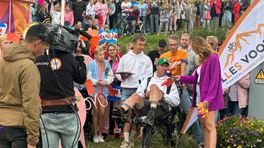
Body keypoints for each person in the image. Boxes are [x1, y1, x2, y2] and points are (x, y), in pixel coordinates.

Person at [0, 24, 50, 148]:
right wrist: (33, 140)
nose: (42, 53)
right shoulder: (28, 67)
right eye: (43, 49)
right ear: (37, 43)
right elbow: (31, 104)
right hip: (19, 130)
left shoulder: (2, 61)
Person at [36, 27, 87, 147]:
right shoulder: (69, 58)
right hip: (68, 113)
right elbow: (81, 78)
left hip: (46, 113)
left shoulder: (39, 58)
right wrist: (79, 55)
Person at [178, 36, 224, 148]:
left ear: (198, 46)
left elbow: (215, 79)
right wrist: (180, 78)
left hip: (210, 99)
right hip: (201, 98)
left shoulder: (213, 58)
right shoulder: (203, 61)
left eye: (194, 48)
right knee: (204, 124)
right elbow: (195, 78)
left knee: (210, 125)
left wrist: (209, 99)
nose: (193, 51)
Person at [113, 58, 180, 126]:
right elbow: (139, 93)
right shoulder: (148, 79)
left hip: (161, 108)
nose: (164, 68)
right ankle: (121, 111)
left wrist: (163, 95)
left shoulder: (170, 81)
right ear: (157, 66)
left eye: (166, 66)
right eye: (162, 66)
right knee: (135, 95)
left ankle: (151, 114)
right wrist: (145, 95)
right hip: (146, 105)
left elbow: (176, 101)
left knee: (153, 87)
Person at [116, 36, 153, 148]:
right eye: (140, 44)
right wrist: (123, 75)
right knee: (126, 114)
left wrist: (143, 88)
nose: (142, 47)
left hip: (139, 90)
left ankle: (131, 139)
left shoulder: (146, 59)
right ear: (134, 44)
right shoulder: (125, 58)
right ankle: (126, 140)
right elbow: (117, 74)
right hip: (126, 88)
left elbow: (149, 76)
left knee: (137, 115)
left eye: (143, 44)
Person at [87, 46, 114, 143]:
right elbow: (88, 78)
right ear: (95, 55)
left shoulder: (106, 64)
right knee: (96, 112)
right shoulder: (91, 64)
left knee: (102, 113)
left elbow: (111, 76)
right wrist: (97, 82)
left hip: (104, 92)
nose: (103, 56)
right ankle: (95, 134)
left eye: (103, 54)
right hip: (94, 92)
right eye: (100, 55)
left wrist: (106, 82)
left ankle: (100, 133)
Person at [105, 43, 122, 138]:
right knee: (106, 109)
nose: (112, 51)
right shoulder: (105, 62)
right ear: (107, 52)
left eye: (113, 49)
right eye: (110, 50)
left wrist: (117, 79)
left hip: (117, 86)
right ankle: (105, 130)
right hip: (107, 86)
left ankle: (117, 131)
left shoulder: (120, 61)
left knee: (116, 109)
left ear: (116, 50)